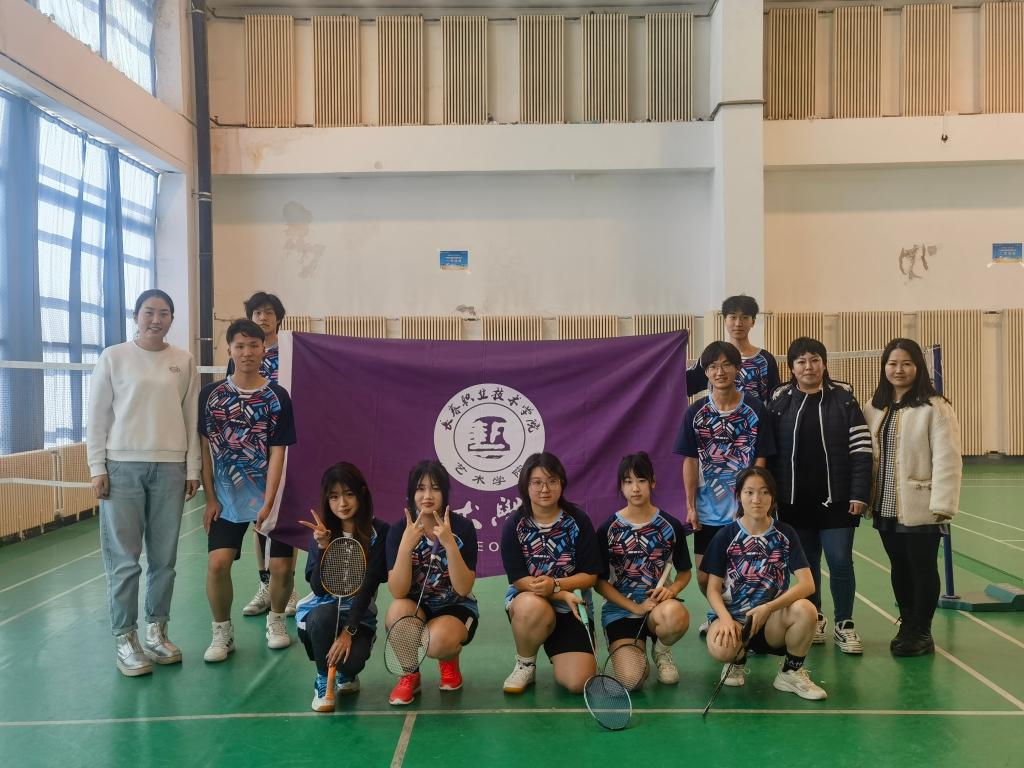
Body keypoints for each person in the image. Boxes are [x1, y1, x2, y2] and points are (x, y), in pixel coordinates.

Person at [86, 289, 200, 676]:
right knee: (124, 560)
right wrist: (97, 467)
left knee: (164, 560)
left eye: (164, 313)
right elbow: (98, 416)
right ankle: (125, 638)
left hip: (170, 469)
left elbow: (191, 419)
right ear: (136, 316)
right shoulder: (113, 357)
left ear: (172, 319)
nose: (156, 319)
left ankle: (157, 631)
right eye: (149, 312)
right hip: (122, 469)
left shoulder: (183, 361)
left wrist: (192, 469)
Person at [199, 319, 297, 661]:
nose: (247, 352)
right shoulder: (211, 396)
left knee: (281, 567)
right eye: (240, 346)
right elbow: (204, 449)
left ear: (263, 350)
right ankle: (222, 632)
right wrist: (210, 498)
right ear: (229, 349)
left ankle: (276, 621)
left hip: (273, 496)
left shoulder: (277, 397)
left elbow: (278, 452)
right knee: (217, 564)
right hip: (227, 499)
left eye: (254, 345)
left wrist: (269, 502)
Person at [767, 337, 873, 654]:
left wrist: (859, 493)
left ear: (824, 364)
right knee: (807, 565)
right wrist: (772, 499)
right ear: (792, 367)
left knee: (840, 561)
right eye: (801, 361)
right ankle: (815, 618)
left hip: (837, 500)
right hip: (794, 503)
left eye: (814, 360)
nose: (808, 367)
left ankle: (845, 624)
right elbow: (770, 454)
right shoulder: (780, 403)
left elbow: (861, 451)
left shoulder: (844, 401)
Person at [864, 339, 962, 656]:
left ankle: (922, 631)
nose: (899, 370)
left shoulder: (936, 407)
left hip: (921, 503)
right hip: (886, 503)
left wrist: (943, 504)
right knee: (899, 565)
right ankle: (907, 624)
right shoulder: (874, 406)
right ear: (884, 367)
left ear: (918, 367)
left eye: (906, 363)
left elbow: (948, 458)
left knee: (922, 566)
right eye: (893, 363)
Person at [675, 341, 776, 634]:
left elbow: (760, 459)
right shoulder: (696, 412)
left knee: (743, 571)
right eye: (713, 366)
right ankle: (719, 613)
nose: (720, 372)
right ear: (706, 372)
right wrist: (690, 506)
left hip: (744, 508)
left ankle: (737, 621)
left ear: (737, 368)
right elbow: (690, 461)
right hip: (708, 509)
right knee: (705, 576)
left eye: (726, 365)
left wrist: (752, 503)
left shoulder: (755, 409)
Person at [701, 467, 827, 700]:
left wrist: (769, 608)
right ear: (739, 496)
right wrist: (725, 619)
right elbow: (712, 589)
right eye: (749, 492)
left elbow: (807, 585)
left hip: (771, 623)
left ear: (773, 496)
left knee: (807, 609)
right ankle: (736, 660)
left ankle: (790, 673)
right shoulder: (726, 536)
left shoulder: (785, 534)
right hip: (735, 621)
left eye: (764, 492)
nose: (756, 499)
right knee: (721, 647)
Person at [500, 452, 601, 695]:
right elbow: (518, 579)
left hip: (572, 607)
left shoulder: (578, 521)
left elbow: (590, 575)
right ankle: (525, 663)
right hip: (530, 603)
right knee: (531, 607)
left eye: (552, 481)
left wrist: (557, 586)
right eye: (537, 482)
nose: (545, 489)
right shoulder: (515, 524)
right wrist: (558, 591)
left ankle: (563, 647)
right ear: (526, 486)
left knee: (578, 683)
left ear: (562, 483)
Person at [385, 461, 478, 705]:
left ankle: (449, 661)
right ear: (411, 494)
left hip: (455, 606)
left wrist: (449, 544)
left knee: (437, 642)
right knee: (396, 611)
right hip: (415, 605)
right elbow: (398, 591)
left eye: (435, 488)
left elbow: (463, 588)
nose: (427, 495)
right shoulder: (398, 531)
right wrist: (405, 546)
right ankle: (409, 674)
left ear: (445, 493)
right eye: (420, 488)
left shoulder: (463, 528)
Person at [298, 462, 389, 711]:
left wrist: (348, 632)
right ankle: (322, 679)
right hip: (320, 616)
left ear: (362, 494)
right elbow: (318, 589)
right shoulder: (322, 532)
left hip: (359, 616)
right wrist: (323, 547)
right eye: (334, 496)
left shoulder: (380, 532)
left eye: (349, 494)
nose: (342, 503)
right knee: (324, 614)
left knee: (351, 662)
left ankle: (347, 673)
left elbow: (369, 585)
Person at [596, 452, 691, 687]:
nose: (635, 488)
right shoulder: (608, 529)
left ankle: (661, 651)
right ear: (621, 486)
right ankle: (635, 654)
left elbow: (685, 572)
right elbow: (599, 583)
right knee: (632, 680)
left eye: (641, 480)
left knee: (676, 615)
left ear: (653, 482)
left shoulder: (670, 525)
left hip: (659, 609)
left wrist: (672, 590)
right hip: (621, 612)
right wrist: (636, 607)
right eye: (628, 482)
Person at [233, 292, 302, 619]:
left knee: (288, 513)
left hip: (288, 442)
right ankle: (265, 585)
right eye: (257, 312)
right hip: (254, 447)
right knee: (258, 515)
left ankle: (287, 585)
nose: (263, 317)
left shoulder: (292, 350)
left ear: (278, 317)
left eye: (269, 312)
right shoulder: (243, 354)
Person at [686, 295, 780, 403]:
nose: (738, 323)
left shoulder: (765, 360)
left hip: (755, 414)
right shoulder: (712, 356)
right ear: (725, 320)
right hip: (718, 414)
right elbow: (686, 385)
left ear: (753, 321)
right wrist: (679, 349)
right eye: (733, 317)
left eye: (745, 317)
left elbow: (776, 399)